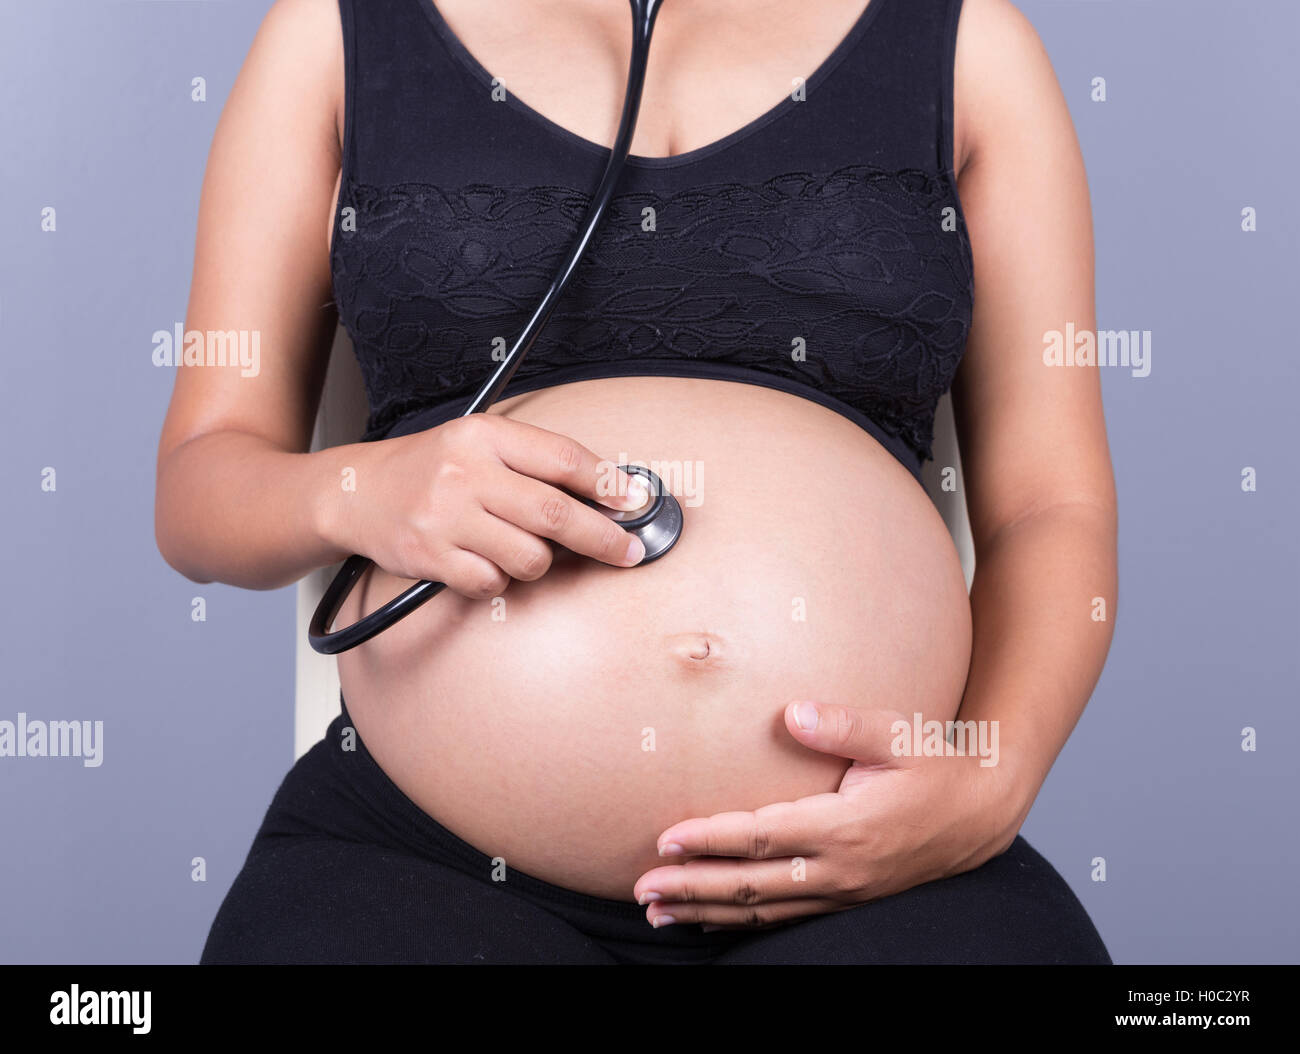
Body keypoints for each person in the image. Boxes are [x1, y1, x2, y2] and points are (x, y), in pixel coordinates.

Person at [157, 0, 1117, 964]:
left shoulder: (970, 43)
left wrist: (992, 776)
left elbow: (1053, 507)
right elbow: (200, 487)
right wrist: (363, 490)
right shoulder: (335, 29)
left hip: (878, 869)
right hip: (423, 860)